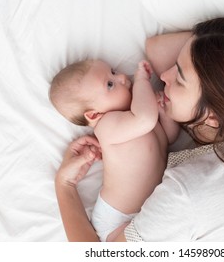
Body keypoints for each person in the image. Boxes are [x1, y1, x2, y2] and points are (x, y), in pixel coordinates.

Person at [54, 17, 224, 241]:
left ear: (213, 116)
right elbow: (156, 49)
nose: (164, 76)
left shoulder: (188, 193)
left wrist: (64, 185)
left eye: (179, 78)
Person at [50, 60, 180, 241]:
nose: (122, 78)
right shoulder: (107, 126)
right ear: (94, 115)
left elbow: (168, 138)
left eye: (114, 71)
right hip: (116, 220)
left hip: (140, 213)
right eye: (110, 84)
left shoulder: (136, 112)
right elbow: (145, 119)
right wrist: (142, 80)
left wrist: (165, 115)